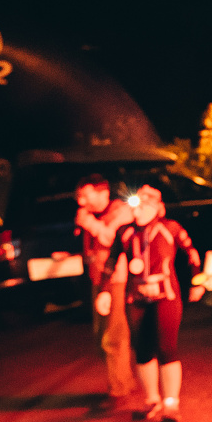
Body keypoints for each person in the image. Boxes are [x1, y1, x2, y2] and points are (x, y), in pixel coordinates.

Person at [99, 184, 202, 422]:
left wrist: (198, 281)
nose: (139, 210)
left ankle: (171, 403)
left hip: (166, 295)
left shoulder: (170, 227)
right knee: (143, 349)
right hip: (137, 297)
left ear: (158, 207)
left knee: (166, 348)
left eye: (146, 205)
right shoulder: (126, 232)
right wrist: (104, 290)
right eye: (136, 204)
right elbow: (111, 261)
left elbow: (192, 253)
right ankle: (152, 400)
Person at [74, 174, 136, 409]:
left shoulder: (121, 212)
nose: (81, 202)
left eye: (85, 196)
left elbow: (111, 239)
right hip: (98, 280)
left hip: (115, 280)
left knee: (114, 336)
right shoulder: (92, 216)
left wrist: (88, 223)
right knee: (101, 335)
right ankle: (124, 380)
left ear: (103, 193)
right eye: (79, 197)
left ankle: (119, 390)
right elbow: (94, 250)